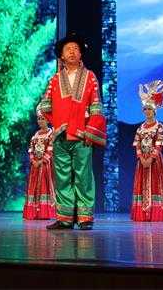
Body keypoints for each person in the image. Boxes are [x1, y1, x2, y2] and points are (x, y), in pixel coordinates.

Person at [37, 33, 106, 230]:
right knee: (62, 177)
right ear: (62, 56)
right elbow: (45, 105)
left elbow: (96, 106)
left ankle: (85, 218)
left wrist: (89, 131)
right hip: (61, 136)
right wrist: (57, 124)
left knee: (83, 176)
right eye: (68, 49)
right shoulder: (55, 79)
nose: (72, 52)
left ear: (81, 54)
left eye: (76, 48)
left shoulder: (90, 77)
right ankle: (65, 218)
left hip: (82, 136)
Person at [130, 80, 163, 222]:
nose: (147, 111)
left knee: (157, 185)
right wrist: (141, 158)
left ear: (154, 110)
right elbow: (137, 144)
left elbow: (159, 144)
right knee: (142, 185)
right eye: (145, 109)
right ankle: (144, 212)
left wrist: (151, 158)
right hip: (142, 161)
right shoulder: (140, 128)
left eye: (150, 109)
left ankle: (158, 212)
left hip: (155, 161)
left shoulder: (159, 127)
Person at [23, 112, 57, 220]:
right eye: (38, 119)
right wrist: (33, 160)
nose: (40, 121)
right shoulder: (35, 136)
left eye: (42, 118)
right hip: (35, 167)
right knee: (33, 187)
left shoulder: (51, 134)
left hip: (45, 166)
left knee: (44, 186)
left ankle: (44, 213)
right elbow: (31, 150)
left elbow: (50, 150)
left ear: (47, 120)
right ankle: (34, 212)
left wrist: (42, 161)